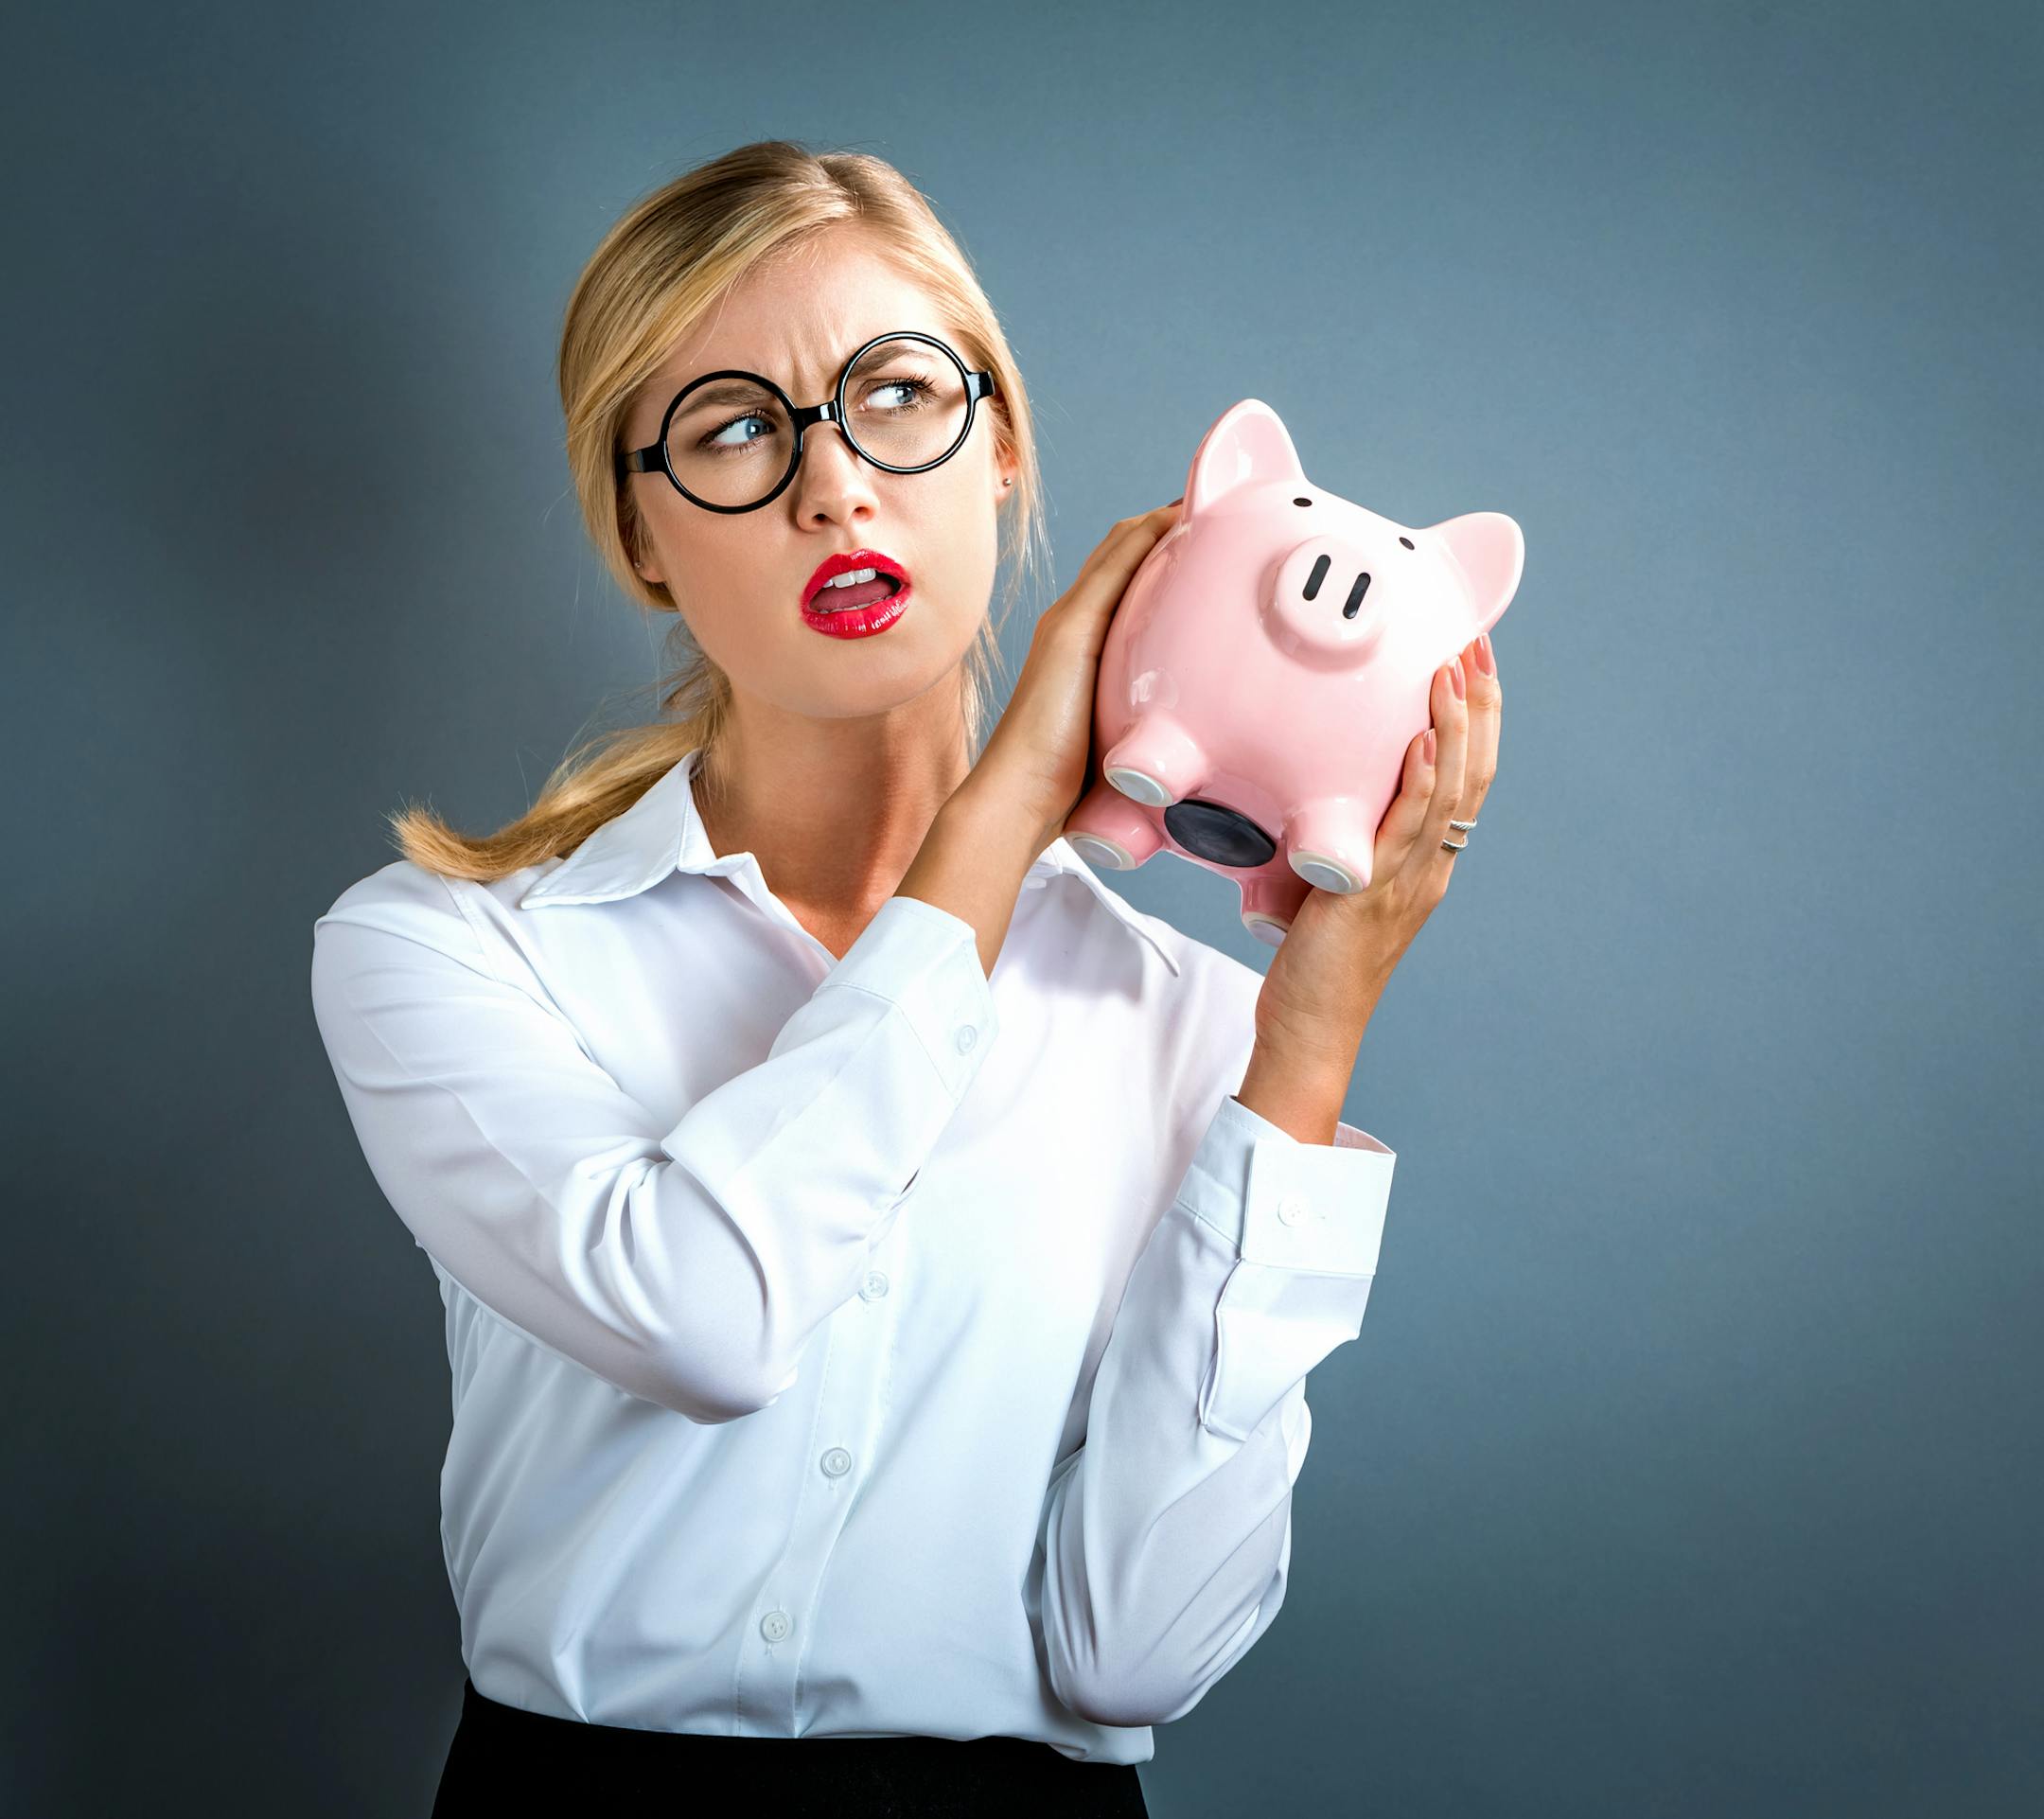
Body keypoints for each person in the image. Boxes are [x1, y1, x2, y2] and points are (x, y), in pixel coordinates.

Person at [308, 139, 1504, 1818]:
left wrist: (1306, 1048)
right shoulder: (448, 951)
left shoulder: (1192, 1023)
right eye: (733, 427)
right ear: (641, 534)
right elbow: (708, 1314)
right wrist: (1009, 797)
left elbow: (1134, 1654)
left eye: (893, 396)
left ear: (999, 446)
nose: (832, 488)